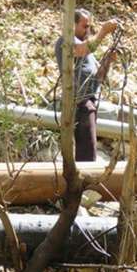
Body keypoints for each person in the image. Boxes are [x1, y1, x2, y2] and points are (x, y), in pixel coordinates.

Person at [54, 9, 119, 161]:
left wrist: (107, 60)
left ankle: (84, 179)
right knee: (86, 151)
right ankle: (84, 181)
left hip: (89, 102)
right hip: (78, 103)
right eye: (84, 26)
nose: (87, 30)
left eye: (89, 27)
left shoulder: (87, 50)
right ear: (72, 25)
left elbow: (99, 78)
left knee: (88, 148)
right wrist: (103, 31)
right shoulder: (65, 42)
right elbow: (81, 50)